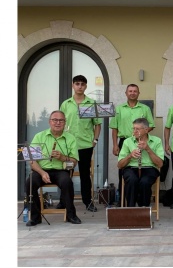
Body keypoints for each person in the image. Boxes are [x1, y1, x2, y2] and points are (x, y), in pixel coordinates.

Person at [25, 110, 81, 226]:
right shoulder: (39, 136)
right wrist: (41, 173)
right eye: (55, 120)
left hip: (61, 171)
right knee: (30, 182)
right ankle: (35, 217)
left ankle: (71, 215)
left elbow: (74, 162)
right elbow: (32, 160)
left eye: (61, 120)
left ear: (65, 123)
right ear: (49, 122)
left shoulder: (70, 138)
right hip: (42, 170)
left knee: (67, 182)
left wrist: (62, 157)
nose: (58, 123)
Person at [60, 75, 101, 212]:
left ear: (86, 86)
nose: (80, 86)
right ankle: (63, 201)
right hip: (68, 146)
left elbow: (97, 125)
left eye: (82, 84)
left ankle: (88, 201)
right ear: (73, 85)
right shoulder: (66, 104)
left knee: (85, 174)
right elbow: (60, 123)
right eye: (77, 83)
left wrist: (95, 140)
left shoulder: (91, 103)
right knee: (66, 174)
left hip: (85, 145)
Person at [110, 83, 155, 206]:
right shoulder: (119, 109)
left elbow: (150, 125)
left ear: (138, 93)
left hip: (141, 141)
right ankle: (122, 201)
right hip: (124, 141)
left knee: (141, 172)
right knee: (124, 172)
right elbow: (114, 128)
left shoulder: (145, 109)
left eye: (135, 91)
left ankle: (141, 201)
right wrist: (115, 145)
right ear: (126, 93)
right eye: (130, 91)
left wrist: (140, 134)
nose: (132, 93)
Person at [117, 118, 163, 207]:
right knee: (132, 180)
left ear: (146, 130)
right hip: (131, 167)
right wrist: (130, 156)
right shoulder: (127, 141)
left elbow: (160, 164)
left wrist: (148, 149)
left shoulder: (157, 141)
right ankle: (131, 209)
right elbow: (119, 165)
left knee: (145, 182)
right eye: (133, 128)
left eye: (137, 129)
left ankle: (143, 209)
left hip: (149, 168)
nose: (134, 131)